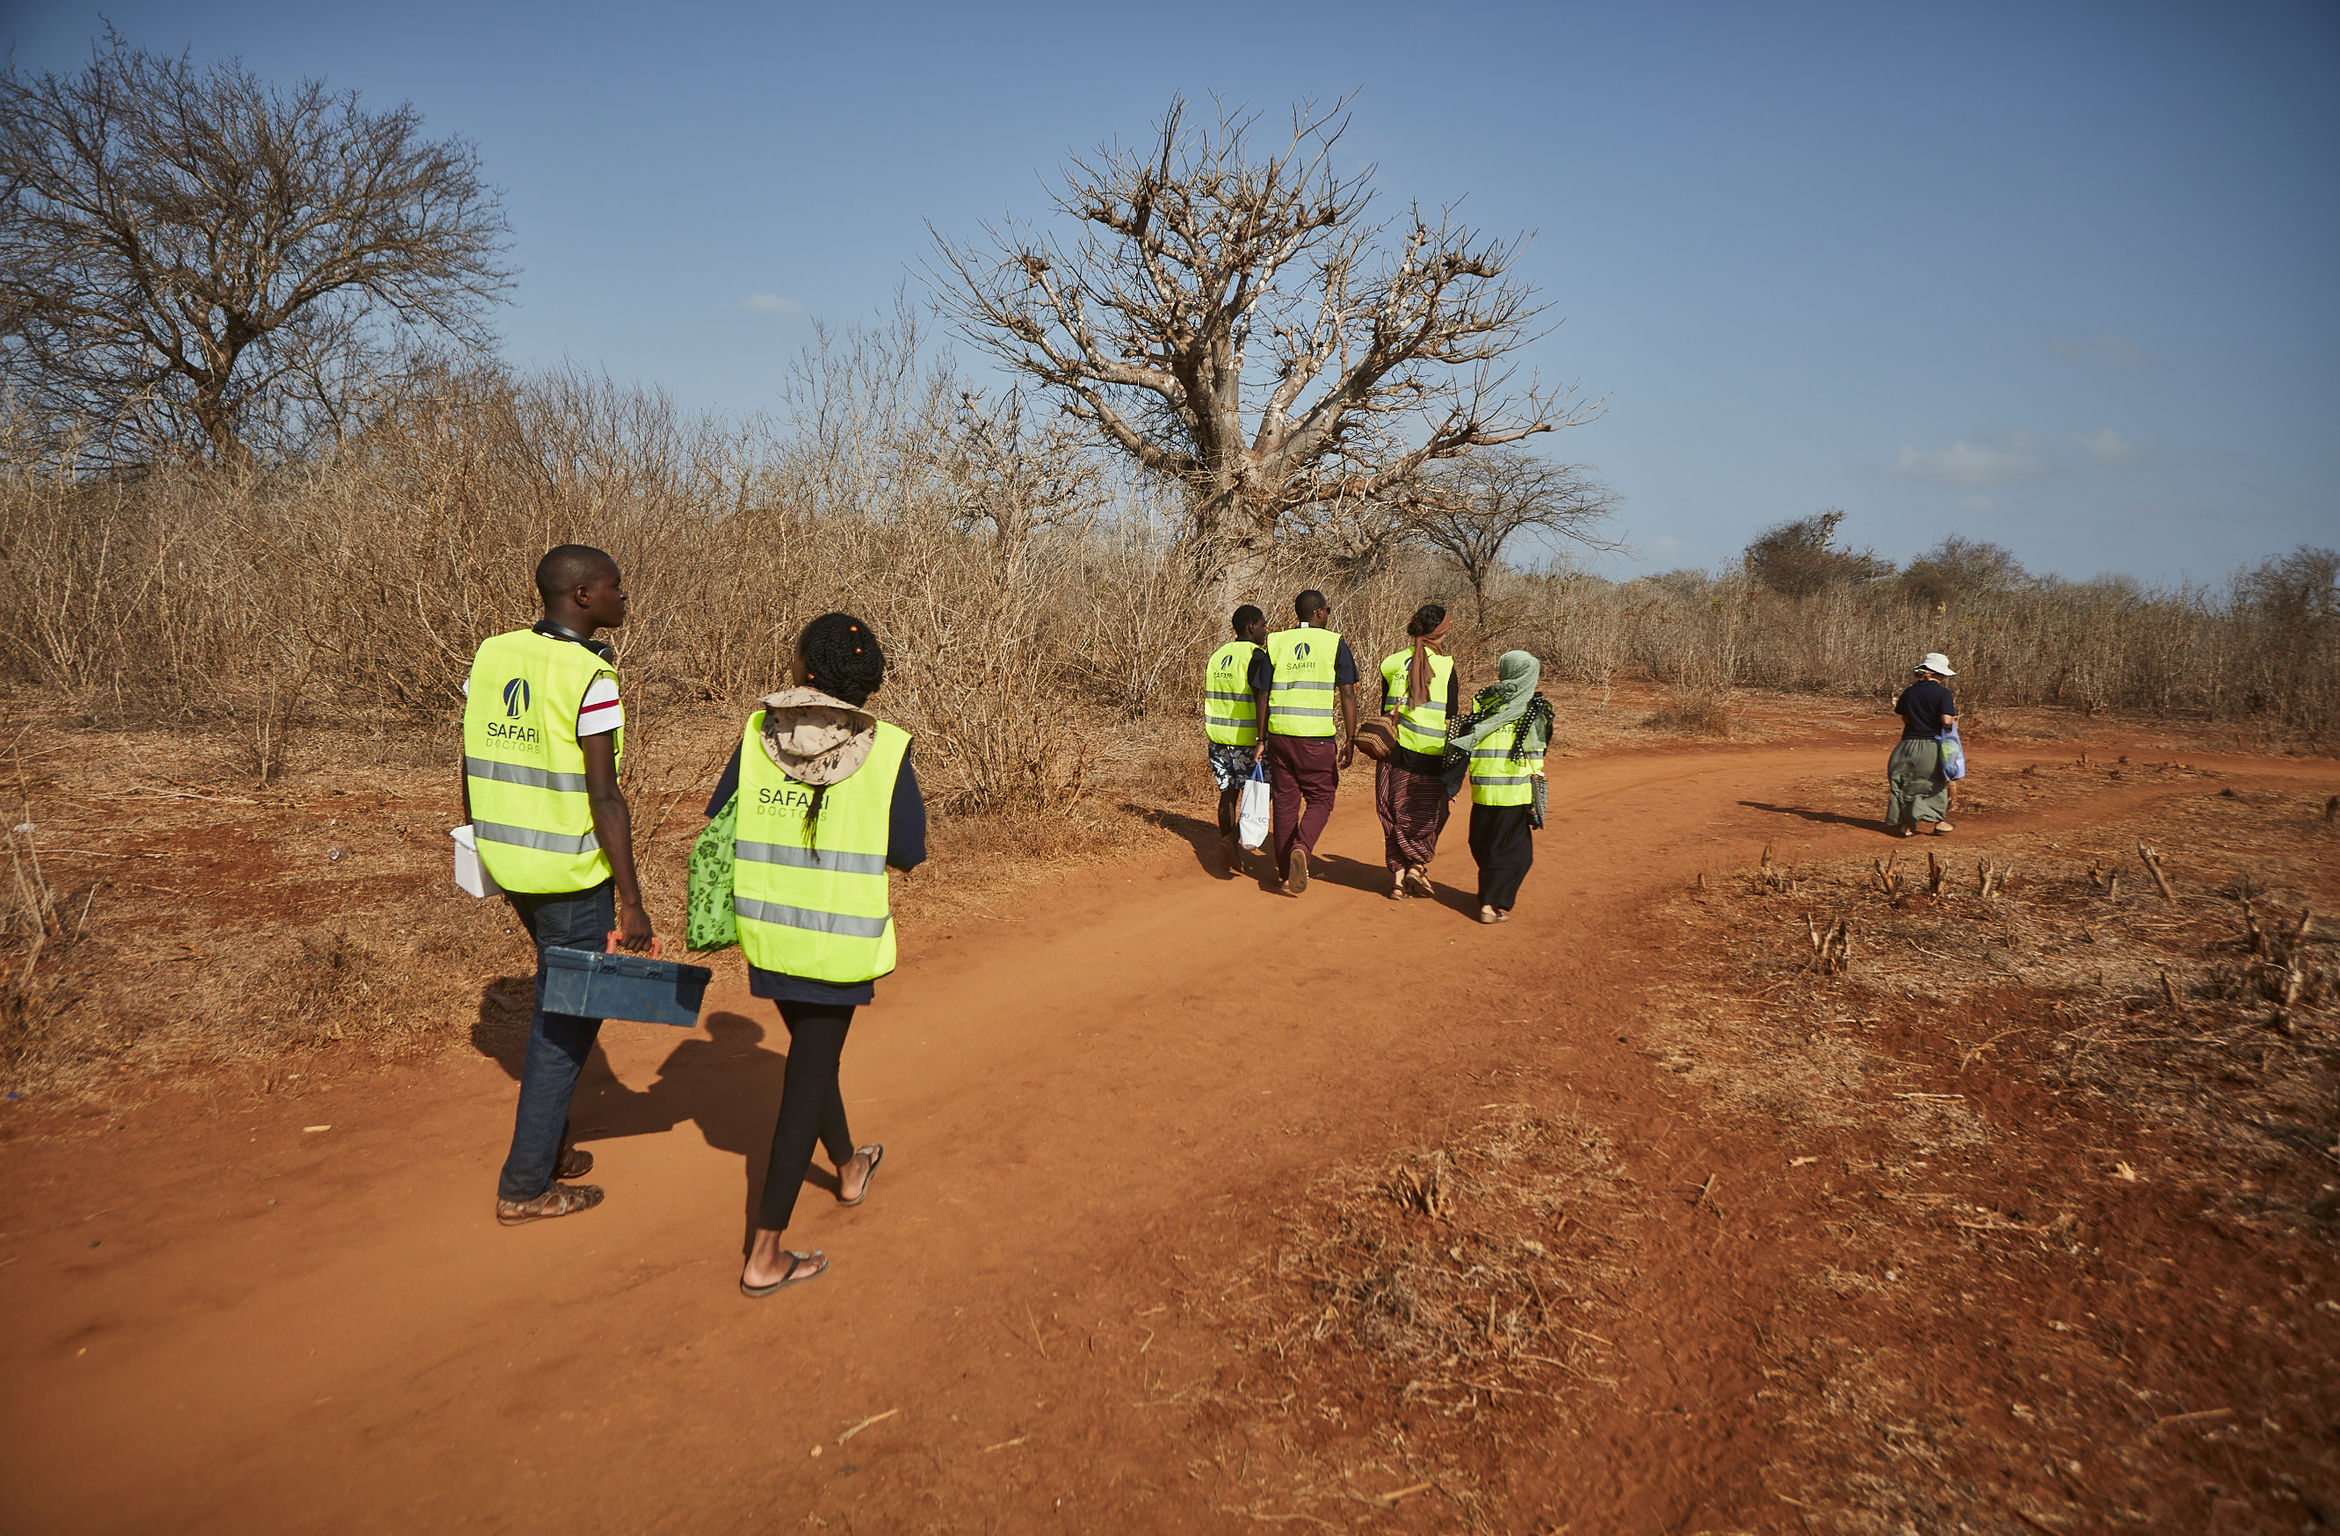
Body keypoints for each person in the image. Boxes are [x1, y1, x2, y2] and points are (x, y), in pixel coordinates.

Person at [700, 612, 927, 1298]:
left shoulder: (755, 732)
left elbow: (722, 815)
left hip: (770, 933)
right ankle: (764, 1253)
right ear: (869, 682)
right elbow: (908, 852)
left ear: (801, 670)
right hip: (838, 943)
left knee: (811, 1056)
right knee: (807, 1074)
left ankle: (850, 1164)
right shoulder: (886, 750)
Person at [462, 544, 654, 1226]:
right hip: (571, 875)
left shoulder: (494, 654)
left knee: (562, 1003)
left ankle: (554, 1148)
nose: (623, 597)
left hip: (511, 863)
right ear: (582, 598)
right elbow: (605, 797)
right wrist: (630, 900)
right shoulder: (588, 677)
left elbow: (473, 756)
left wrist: (478, 834)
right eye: (615, 586)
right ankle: (525, 1184)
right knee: (564, 1027)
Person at [1250, 588, 1359, 894]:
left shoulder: (1276, 641)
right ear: (1319, 613)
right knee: (1322, 798)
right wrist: (1351, 738)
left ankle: (1285, 872)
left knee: (1285, 803)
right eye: (1328, 610)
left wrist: (1262, 738)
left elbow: (1263, 693)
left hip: (1280, 736)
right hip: (1316, 737)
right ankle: (1302, 849)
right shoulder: (1334, 642)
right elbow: (1347, 693)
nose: (1328, 614)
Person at [1452, 650, 1553, 924]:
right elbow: (1534, 754)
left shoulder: (1485, 700)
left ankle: (1488, 890)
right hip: (1514, 791)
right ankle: (1490, 903)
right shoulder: (1533, 708)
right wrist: (1538, 792)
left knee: (1484, 845)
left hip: (1483, 789)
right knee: (1516, 854)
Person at [1374, 603, 1461, 900]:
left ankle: (1398, 881)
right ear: (1442, 631)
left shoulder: (1392, 662)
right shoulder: (1447, 668)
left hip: (1394, 753)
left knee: (1393, 813)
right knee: (1430, 814)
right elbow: (1451, 717)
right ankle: (1417, 865)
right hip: (1431, 756)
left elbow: (1383, 707)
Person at [1203, 604, 1270, 872]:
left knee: (1227, 793)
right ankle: (1234, 841)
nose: (1266, 631)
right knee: (1261, 791)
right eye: (1263, 625)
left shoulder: (1218, 655)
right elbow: (1260, 698)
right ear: (1251, 625)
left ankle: (1228, 845)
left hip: (1217, 737)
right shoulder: (1256, 656)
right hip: (1245, 738)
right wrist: (1262, 737)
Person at [1887, 652, 1959, 836]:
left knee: (1904, 782)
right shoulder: (1943, 694)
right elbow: (1946, 721)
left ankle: (1906, 825)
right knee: (1932, 782)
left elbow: (1904, 717)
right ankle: (1939, 822)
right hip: (1930, 745)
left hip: (1906, 745)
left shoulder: (1909, 692)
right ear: (1936, 674)